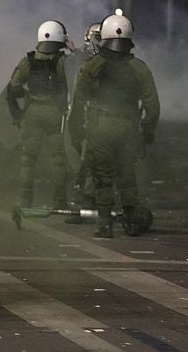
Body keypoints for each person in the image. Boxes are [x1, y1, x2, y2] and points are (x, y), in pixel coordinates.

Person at [67, 14, 159, 238]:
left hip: (100, 127)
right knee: (127, 176)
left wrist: (76, 130)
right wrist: (147, 131)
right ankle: (131, 222)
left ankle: (105, 224)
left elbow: (78, 101)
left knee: (102, 177)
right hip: (128, 126)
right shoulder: (140, 68)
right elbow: (152, 105)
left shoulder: (91, 66)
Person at [7, 20, 71, 209]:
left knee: (28, 160)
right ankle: (60, 201)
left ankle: (25, 200)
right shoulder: (62, 62)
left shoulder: (27, 61)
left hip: (32, 112)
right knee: (58, 160)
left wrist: (19, 111)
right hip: (55, 113)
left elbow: (14, 86)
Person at [65, 23, 102, 221]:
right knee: (87, 158)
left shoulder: (107, 60)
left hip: (101, 116)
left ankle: (89, 197)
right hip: (90, 115)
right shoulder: (87, 61)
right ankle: (84, 197)